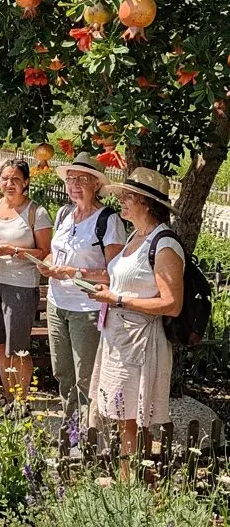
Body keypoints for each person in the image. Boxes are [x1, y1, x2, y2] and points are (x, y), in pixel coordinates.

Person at [88, 168, 185, 475]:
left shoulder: (165, 244)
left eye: (128, 197)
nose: (122, 202)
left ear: (147, 203)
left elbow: (171, 304)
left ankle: (133, 486)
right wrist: (90, 282)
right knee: (122, 414)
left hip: (140, 341)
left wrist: (117, 300)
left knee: (132, 415)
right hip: (119, 337)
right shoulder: (136, 236)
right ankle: (128, 480)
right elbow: (124, 280)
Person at [34, 153, 126, 431]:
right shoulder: (64, 214)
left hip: (86, 308)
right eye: (70, 179)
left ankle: (89, 435)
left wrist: (75, 273)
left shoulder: (108, 221)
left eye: (81, 180)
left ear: (96, 184)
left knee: (85, 375)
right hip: (57, 302)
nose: (74, 185)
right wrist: (47, 265)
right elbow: (53, 255)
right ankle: (71, 428)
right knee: (62, 371)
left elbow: (116, 274)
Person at [0, 159, 53, 404]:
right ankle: (9, 399)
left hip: (20, 284)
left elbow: (45, 252)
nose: (9, 184)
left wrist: (14, 251)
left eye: (16, 179)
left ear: (26, 182)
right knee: (0, 346)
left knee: (18, 348)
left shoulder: (36, 212)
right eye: (5, 178)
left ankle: (21, 401)